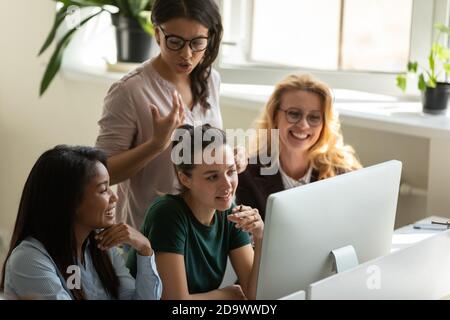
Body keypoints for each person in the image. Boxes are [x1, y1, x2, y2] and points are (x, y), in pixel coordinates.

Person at [95, 0, 245, 229]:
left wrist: (229, 158)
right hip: (149, 234)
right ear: (157, 34)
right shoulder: (129, 90)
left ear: (210, 38)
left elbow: (206, 150)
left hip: (200, 231)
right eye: (174, 42)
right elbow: (103, 174)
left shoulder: (210, 79)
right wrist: (156, 144)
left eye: (197, 43)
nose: (186, 54)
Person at [0, 145, 162, 300]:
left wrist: (145, 249)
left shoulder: (101, 244)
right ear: (70, 201)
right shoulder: (28, 259)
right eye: (103, 190)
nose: (115, 197)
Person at [127, 124, 263, 300]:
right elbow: (177, 303)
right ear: (185, 179)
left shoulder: (229, 211)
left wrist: (259, 237)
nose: (227, 184)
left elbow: (255, 296)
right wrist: (226, 295)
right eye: (212, 177)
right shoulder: (167, 214)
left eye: (231, 171)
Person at [236, 74, 362, 219]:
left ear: (324, 124)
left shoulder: (344, 171)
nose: (303, 125)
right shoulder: (248, 174)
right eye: (294, 114)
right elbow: (247, 238)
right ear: (275, 117)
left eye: (314, 117)